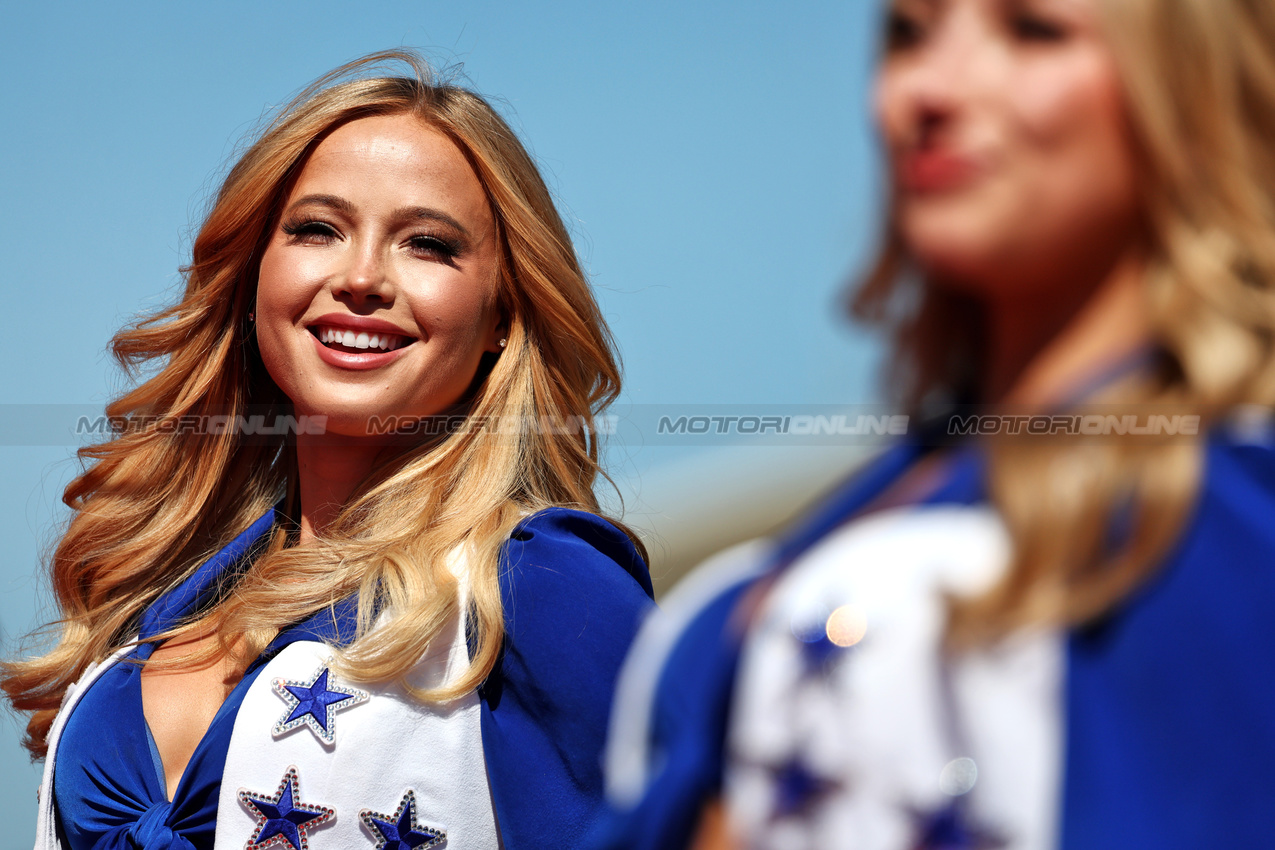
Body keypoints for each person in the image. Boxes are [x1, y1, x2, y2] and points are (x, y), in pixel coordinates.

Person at [588, 0, 1275, 848]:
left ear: (1193, 87)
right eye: (908, 35)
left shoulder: (1226, 505)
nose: (927, 90)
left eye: (1033, 30)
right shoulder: (902, 484)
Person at [2, 50, 654, 850]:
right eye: (317, 229)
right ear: (251, 281)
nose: (362, 277)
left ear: (501, 319)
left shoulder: (543, 585)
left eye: (427, 244)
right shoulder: (160, 602)